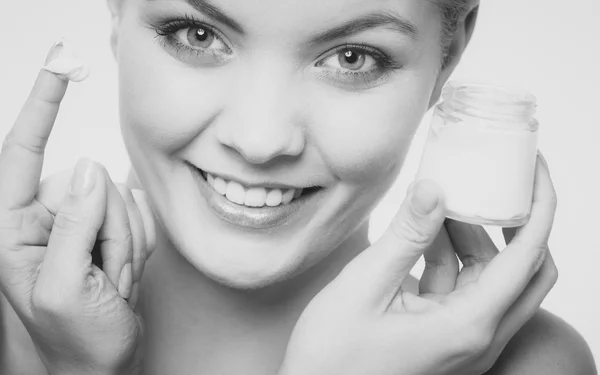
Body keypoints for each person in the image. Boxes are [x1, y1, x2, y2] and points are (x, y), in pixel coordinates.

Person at [0, 0, 596, 374]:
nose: (261, 140)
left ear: (448, 55)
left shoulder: (529, 366)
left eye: (353, 57)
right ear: (115, 12)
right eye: (198, 35)